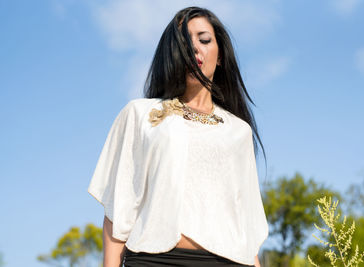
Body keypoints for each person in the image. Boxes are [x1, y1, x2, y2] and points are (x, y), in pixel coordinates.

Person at [88, 6, 269, 267]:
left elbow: (247, 225)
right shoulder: (140, 114)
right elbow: (118, 212)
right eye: (183, 42)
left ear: (220, 57)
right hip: (155, 260)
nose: (194, 47)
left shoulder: (238, 130)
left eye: (204, 40)